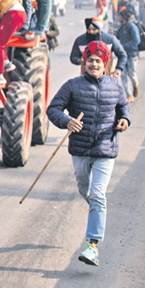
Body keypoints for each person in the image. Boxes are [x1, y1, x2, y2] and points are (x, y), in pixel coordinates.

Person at [47, 41, 131, 267]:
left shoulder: (115, 86)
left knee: (97, 194)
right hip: (81, 150)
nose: (94, 64)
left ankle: (92, 246)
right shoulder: (72, 85)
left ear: (105, 63)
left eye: (98, 61)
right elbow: (53, 109)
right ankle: (96, 207)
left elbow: (123, 108)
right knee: (85, 189)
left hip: (106, 149)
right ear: (84, 63)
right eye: (90, 60)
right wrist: (67, 121)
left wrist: (124, 121)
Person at [115, 6, 139, 100]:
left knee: (131, 73)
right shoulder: (121, 27)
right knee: (123, 74)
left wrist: (123, 46)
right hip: (123, 55)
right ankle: (128, 94)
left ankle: (136, 85)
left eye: (120, 16)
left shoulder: (132, 27)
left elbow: (136, 41)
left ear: (124, 17)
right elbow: (118, 37)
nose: (119, 18)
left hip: (132, 54)